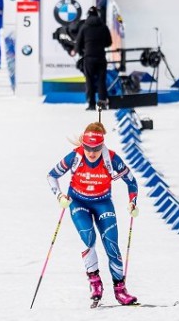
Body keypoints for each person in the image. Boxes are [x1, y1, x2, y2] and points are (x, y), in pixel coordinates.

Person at [47, 122, 139, 306]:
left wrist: (132, 202)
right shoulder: (75, 156)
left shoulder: (111, 158)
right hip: (78, 202)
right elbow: (52, 175)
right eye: (88, 148)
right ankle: (95, 282)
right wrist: (59, 196)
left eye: (96, 148)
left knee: (112, 245)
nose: (91, 152)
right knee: (88, 238)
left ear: (102, 145)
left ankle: (120, 290)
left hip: (103, 203)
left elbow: (131, 181)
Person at [75, 7, 112, 111]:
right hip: (100, 57)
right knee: (101, 81)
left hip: (88, 57)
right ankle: (103, 104)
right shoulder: (103, 27)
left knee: (89, 81)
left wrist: (83, 51)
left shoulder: (84, 27)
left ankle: (91, 105)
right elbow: (109, 42)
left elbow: (78, 44)